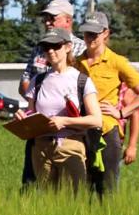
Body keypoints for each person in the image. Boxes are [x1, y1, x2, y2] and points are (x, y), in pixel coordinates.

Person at [76, 11, 139, 194]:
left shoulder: (117, 62)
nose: (90, 38)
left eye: (94, 34)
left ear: (105, 33)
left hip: (106, 131)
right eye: (87, 33)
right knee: (81, 190)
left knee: (107, 190)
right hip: (80, 131)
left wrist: (121, 113)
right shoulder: (76, 62)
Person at [16, 28, 102, 193]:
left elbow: (96, 120)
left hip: (71, 146)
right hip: (41, 148)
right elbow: (31, 113)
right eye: (46, 47)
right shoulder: (38, 80)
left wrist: (64, 121)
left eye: (56, 46)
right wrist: (23, 118)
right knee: (48, 203)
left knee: (72, 203)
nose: (50, 51)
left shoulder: (81, 80)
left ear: (68, 47)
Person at [18, 0, 85, 187]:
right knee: (33, 182)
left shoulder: (82, 49)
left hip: (69, 131)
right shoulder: (39, 48)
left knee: (70, 188)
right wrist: (41, 98)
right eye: (45, 18)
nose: (47, 22)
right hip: (39, 129)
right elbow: (24, 82)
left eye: (52, 18)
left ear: (68, 21)